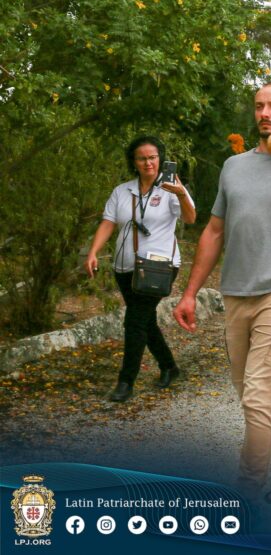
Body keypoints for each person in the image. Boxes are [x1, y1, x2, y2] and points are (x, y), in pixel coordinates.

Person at [173, 83, 271, 504]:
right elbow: (214, 231)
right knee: (252, 394)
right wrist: (190, 293)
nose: (265, 113)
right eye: (259, 106)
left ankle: (245, 495)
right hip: (237, 293)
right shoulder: (234, 166)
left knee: (257, 394)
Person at [85, 136, 196, 403]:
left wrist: (181, 193)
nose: (148, 163)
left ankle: (126, 382)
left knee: (134, 321)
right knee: (145, 320)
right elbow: (108, 222)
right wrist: (93, 251)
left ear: (160, 159)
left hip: (159, 267)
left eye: (153, 157)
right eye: (142, 158)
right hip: (125, 267)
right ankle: (169, 367)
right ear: (134, 162)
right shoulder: (122, 191)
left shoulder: (171, 189)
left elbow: (191, 218)